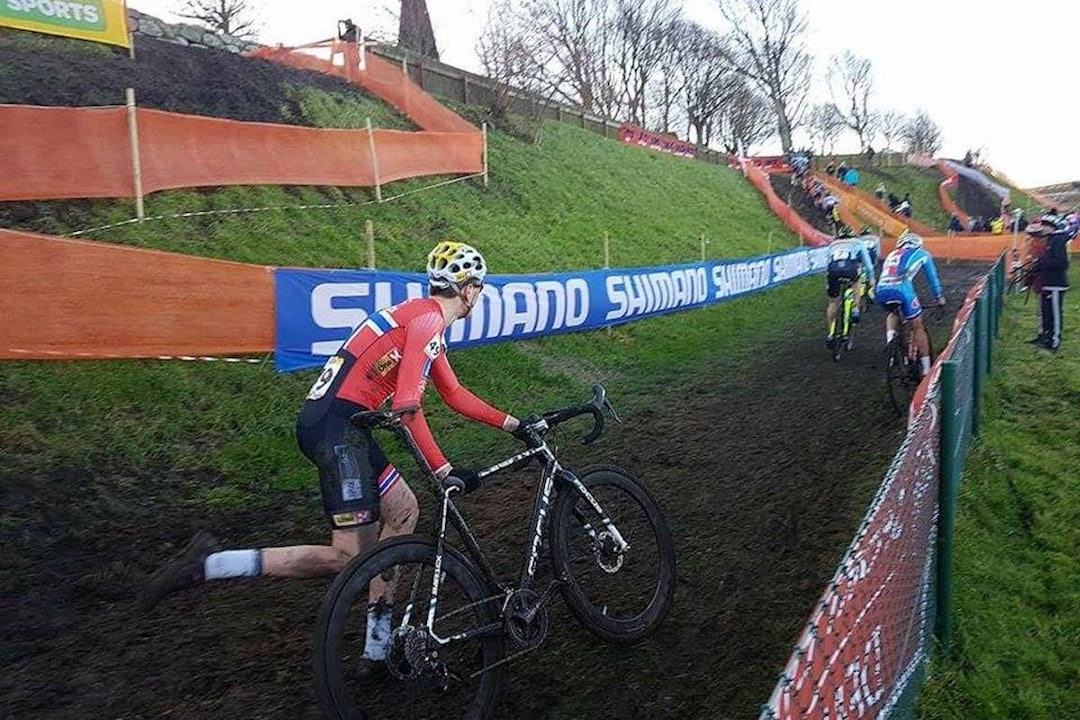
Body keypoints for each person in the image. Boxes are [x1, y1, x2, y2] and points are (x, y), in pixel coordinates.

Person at [141, 241, 522, 652]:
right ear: (468, 289)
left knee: (404, 510)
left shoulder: (421, 318)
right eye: (479, 287)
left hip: (342, 424)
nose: (478, 296)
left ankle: (377, 645)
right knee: (347, 557)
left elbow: (454, 393)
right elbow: (407, 409)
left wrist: (515, 425)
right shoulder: (428, 322)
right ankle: (211, 564)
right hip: (339, 429)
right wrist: (443, 470)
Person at [874, 232, 946, 377]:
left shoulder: (892, 254)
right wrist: (939, 297)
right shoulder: (922, 253)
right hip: (902, 290)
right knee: (917, 326)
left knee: (893, 313)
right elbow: (932, 278)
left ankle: (891, 343)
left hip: (881, 290)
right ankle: (926, 370)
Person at [1028, 213, 1074, 351]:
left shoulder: (1058, 240)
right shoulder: (1052, 239)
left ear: (1051, 227)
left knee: (1055, 314)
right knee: (1047, 313)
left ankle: (1054, 342)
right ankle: (1046, 338)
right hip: (1048, 282)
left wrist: (1041, 262)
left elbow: (1062, 262)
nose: (1042, 228)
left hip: (1056, 283)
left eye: (1044, 225)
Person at [825, 229, 877, 348]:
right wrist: (872, 279)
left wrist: (827, 282)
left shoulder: (833, 244)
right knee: (857, 282)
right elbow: (868, 264)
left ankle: (831, 333)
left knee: (833, 302)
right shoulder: (857, 242)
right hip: (850, 269)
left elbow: (827, 264)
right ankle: (855, 309)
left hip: (833, 271)